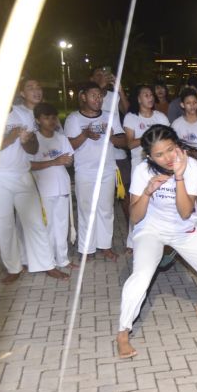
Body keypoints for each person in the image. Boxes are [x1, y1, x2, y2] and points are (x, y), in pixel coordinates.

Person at [116, 125, 197, 359]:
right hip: (150, 229)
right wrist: (148, 192)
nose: (168, 158)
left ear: (177, 145)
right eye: (159, 155)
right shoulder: (142, 170)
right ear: (150, 156)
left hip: (182, 229)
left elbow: (184, 211)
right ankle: (123, 332)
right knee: (140, 277)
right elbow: (135, 217)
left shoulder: (191, 167)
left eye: (171, 150)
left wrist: (179, 177)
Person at [0, 79, 68, 282]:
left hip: (22, 174)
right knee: (4, 224)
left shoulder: (23, 115)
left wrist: (28, 140)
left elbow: (34, 149)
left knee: (35, 221)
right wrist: (11, 137)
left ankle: (47, 264)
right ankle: (14, 268)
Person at [65, 82, 126, 261]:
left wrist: (111, 136)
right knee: (86, 210)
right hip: (84, 171)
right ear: (83, 96)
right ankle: (86, 249)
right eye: (93, 95)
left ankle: (105, 246)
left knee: (106, 210)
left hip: (107, 170)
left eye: (100, 96)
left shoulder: (110, 116)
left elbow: (123, 142)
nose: (98, 99)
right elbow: (69, 146)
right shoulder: (74, 119)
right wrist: (85, 135)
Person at [123, 85, 171, 249]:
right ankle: (132, 241)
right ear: (138, 99)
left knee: (159, 202)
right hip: (140, 164)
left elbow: (169, 139)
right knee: (137, 202)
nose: (150, 98)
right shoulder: (131, 118)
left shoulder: (161, 117)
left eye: (151, 95)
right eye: (146, 95)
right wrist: (149, 136)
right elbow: (130, 143)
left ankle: (160, 238)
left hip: (160, 165)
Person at [31, 102, 74, 269]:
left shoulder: (61, 138)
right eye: (46, 118)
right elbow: (29, 165)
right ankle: (48, 262)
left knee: (62, 226)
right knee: (47, 226)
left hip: (62, 186)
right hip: (44, 189)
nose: (51, 121)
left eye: (53, 118)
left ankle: (63, 259)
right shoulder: (33, 140)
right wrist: (55, 161)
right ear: (37, 120)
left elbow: (69, 161)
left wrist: (67, 161)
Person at [171, 87, 197, 232]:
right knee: (183, 199)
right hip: (181, 167)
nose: (192, 106)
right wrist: (186, 153)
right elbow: (172, 146)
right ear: (182, 105)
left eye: (194, 102)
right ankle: (183, 231)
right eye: (188, 103)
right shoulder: (176, 124)